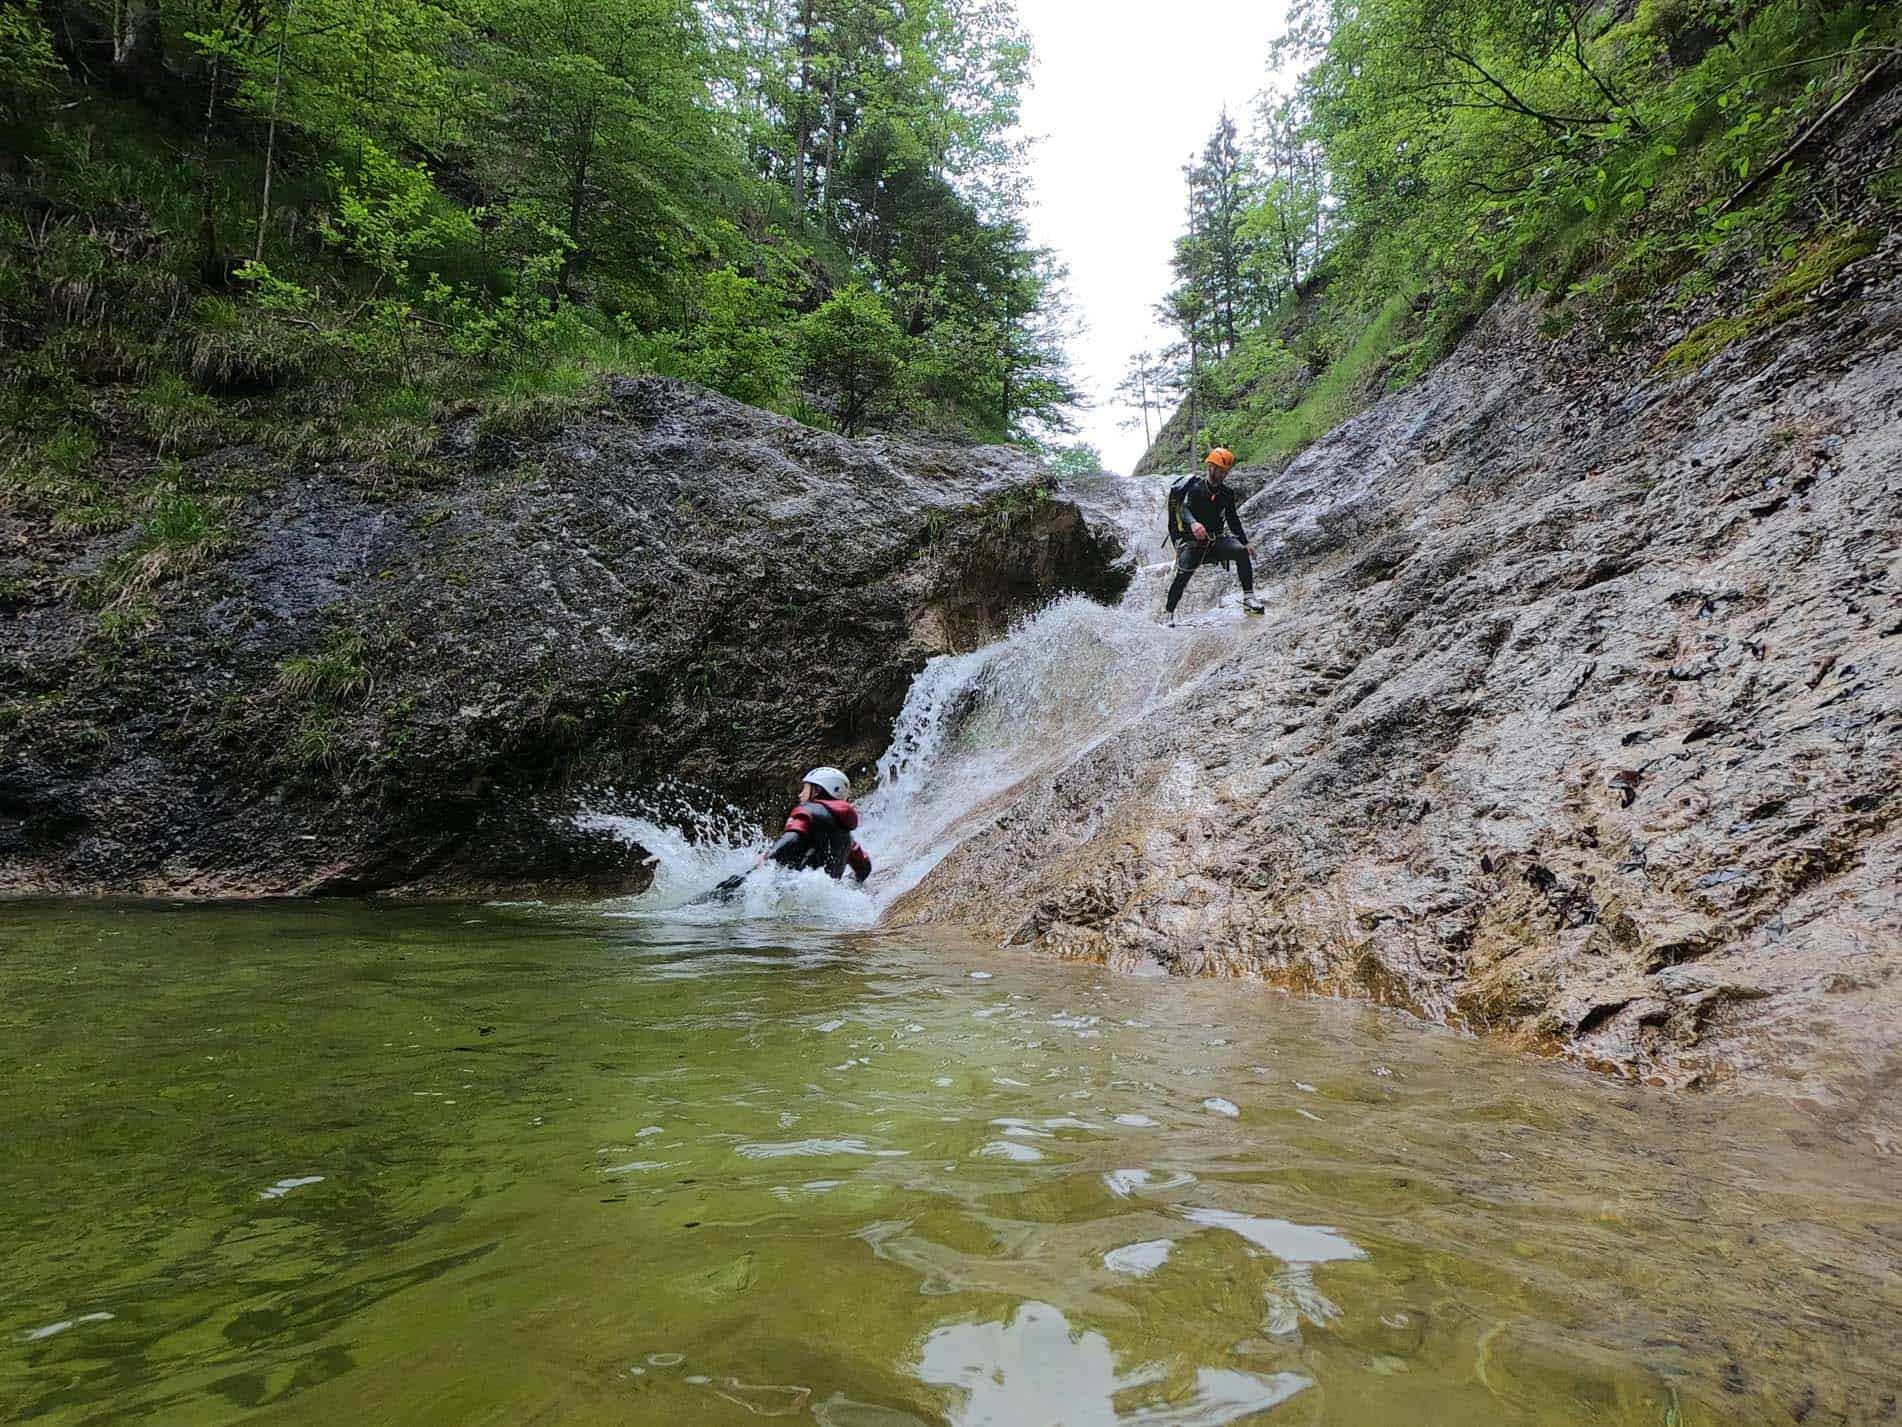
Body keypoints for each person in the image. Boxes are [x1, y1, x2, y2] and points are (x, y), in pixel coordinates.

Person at [1164, 447, 1265, 625]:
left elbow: (1233, 520)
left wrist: (1246, 542)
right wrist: (1194, 523)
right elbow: (1184, 509)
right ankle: (1168, 613)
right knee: (1183, 574)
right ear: (1211, 467)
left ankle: (1249, 598)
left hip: (1216, 541)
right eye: (1221, 470)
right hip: (1193, 543)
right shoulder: (1195, 489)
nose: (1224, 474)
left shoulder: (1226, 493)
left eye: (1226, 471)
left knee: (1241, 552)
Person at [762, 766, 873, 882]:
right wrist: (851, 883)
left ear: (817, 791)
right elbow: (865, 868)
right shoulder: (848, 838)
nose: (800, 794)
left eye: (804, 788)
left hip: (795, 889)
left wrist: (765, 859)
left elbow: (792, 838)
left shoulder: (808, 811)